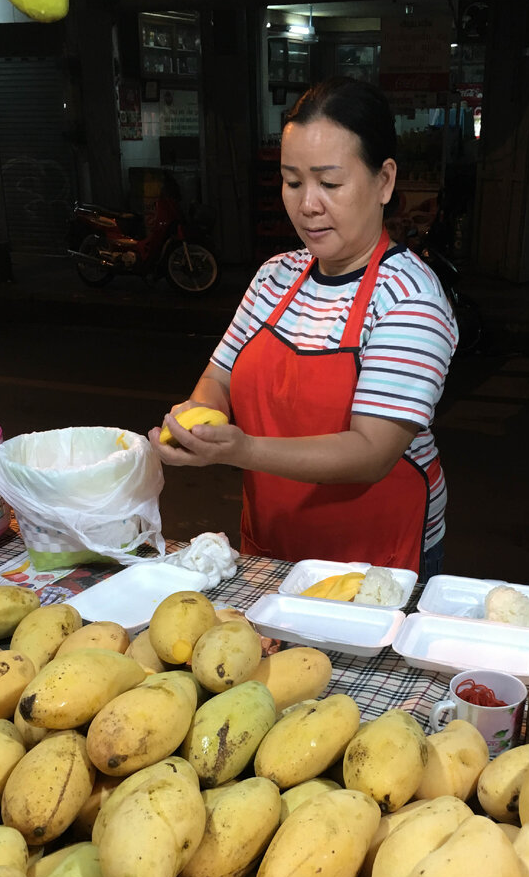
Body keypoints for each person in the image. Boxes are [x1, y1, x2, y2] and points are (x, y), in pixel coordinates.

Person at [150, 77, 458, 577]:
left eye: (329, 183)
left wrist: (244, 450)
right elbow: (220, 377)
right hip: (271, 546)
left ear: (384, 181)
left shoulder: (409, 296)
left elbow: (371, 452)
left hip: (376, 561)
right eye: (293, 181)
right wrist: (198, 419)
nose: (307, 204)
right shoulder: (275, 276)